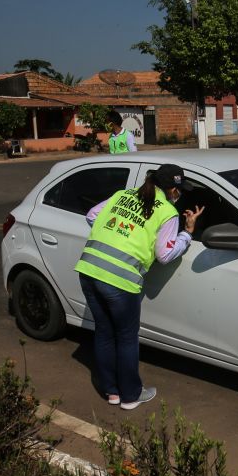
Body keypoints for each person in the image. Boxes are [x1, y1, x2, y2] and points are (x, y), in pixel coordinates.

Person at [75, 164, 204, 410]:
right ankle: (131, 396)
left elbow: (92, 215)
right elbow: (165, 255)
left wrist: (118, 236)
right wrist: (187, 234)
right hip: (120, 279)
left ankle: (111, 392)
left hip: (89, 270)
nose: (179, 195)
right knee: (125, 337)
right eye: (178, 190)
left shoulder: (123, 195)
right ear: (172, 190)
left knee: (103, 331)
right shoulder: (167, 211)